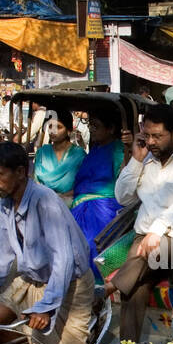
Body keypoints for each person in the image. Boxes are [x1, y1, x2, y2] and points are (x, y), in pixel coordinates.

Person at [0, 142, 95, 344]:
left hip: (69, 283)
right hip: (31, 278)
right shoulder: (6, 204)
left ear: (21, 172)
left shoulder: (45, 201)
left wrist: (46, 306)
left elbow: (63, 260)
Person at [110, 103, 173, 342]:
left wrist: (156, 233)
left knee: (150, 248)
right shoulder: (145, 160)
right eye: (147, 136)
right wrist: (135, 161)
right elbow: (123, 197)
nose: (152, 142)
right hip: (145, 242)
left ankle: (110, 286)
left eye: (158, 136)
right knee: (133, 291)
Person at [70, 105, 128, 267]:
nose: (92, 130)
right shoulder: (94, 150)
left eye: (96, 126)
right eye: (90, 126)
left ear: (110, 129)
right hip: (80, 205)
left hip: (104, 208)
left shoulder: (119, 149)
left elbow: (123, 181)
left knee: (91, 245)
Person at [33, 108, 85, 203]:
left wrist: (61, 197)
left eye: (59, 127)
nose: (53, 131)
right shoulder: (42, 152)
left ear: (69, 131)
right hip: (43, 200)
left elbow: (83, 184)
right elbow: (36, 181)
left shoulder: (78, 155)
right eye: (50, 126)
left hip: (70, 202)